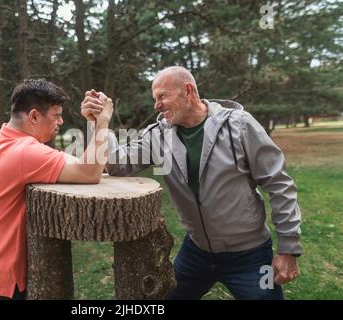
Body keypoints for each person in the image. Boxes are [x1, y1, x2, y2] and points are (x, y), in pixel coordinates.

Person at [81, 66, 302, 300]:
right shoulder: (158, 135)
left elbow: (279, 184)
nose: (157, 105)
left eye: (162, 96)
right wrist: (100, 124)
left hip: (251, 256)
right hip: (196, 253)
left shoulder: (238, 125)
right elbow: (118, 165)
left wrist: (289, 248)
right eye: (155, 98)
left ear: (188, 90)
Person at [0, 79, 113, 300]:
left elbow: (81, 164)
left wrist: (94, 127)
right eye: (56, 116)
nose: (61, 121)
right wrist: (103, 122)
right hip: (10, 282)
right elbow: (89, 173)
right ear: (34, 116)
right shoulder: (24, 152)